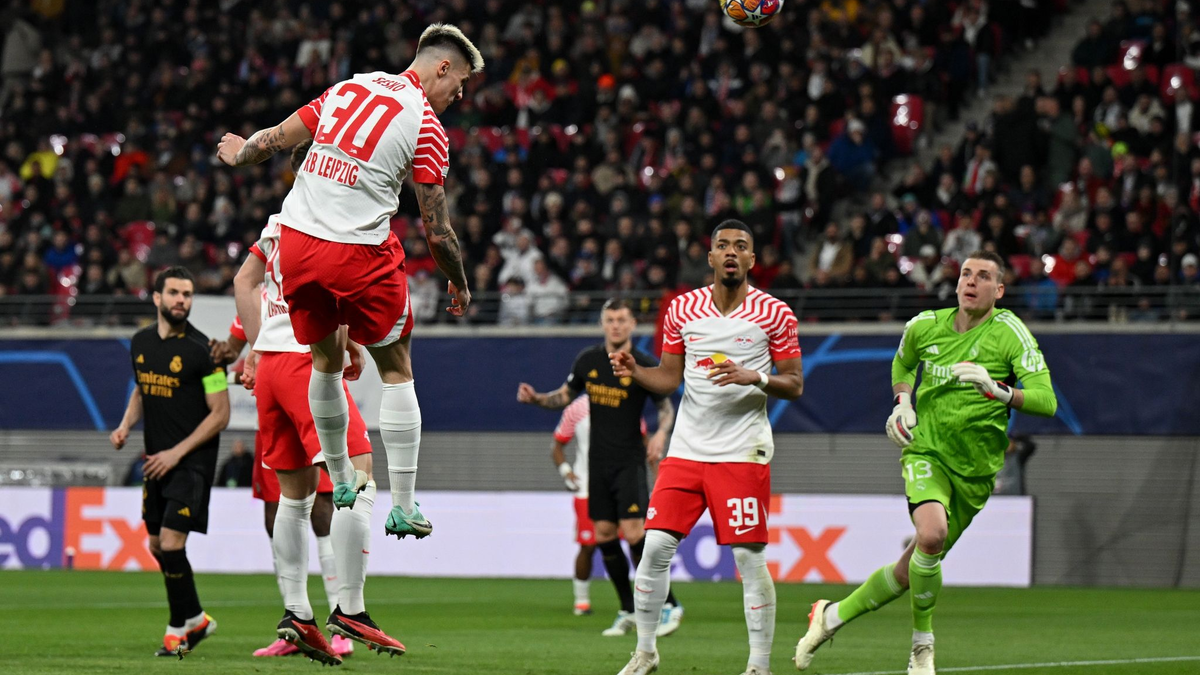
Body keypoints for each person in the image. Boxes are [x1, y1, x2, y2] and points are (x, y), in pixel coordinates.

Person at [216, 24, 484, 541]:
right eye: (462, 82)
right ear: (443, 67)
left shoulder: (348, 87)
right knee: (397, 367)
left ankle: (340, 479)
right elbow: (437, 229)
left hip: (296, 246)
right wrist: (458, 281)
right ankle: (403, 505)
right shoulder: (426, 124)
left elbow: (275, 139)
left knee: (325, 359)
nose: (460, 94)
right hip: (357, 253)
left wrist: (239, 151)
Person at [793, 250, 1057, 675]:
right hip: (927, 451)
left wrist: (1000, 391)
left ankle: (830, 615)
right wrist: (902, 402)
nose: (971, 281)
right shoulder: (924, 325)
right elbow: (903, 363)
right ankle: (922, 647)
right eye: (966, 273)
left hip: (976, 471)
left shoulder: (1010, 333)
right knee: (931, 536)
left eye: (983, 276)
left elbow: (1047, 400)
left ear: (999, 290)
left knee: (909, 570)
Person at [223, 139, 400, 662]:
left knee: (294, 499)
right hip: (306, 364)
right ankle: (351, 607)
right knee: (360, 473)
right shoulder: (331, 219)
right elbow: (337, 293)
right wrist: (351, 344)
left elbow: (243, 281)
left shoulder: (278, 223)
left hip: (273, 368)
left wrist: (257, 350)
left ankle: (297, 614)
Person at [609, 220, 804, 675]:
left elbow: (794, 384)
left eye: (741, 246)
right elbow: (669, 378)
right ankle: (645, 653)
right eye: (723, 245)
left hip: (741, 453)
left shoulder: (775, 313)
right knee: (654, 549)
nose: (731, 252)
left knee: (748, 559)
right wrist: (636, 371)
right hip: (686, 451)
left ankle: (759, 665)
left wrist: (754, 376)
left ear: (752, 259)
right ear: (711, 257)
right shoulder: (682, 309)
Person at [517, 298, 682, 638]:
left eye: (622, 319)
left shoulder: (643, 364)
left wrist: (661, 434)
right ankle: (628, 609)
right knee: (604, 535)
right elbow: (565, 395)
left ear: (632, 324)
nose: (616, 326)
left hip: (629, 461)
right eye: (610, 320)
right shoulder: (588, 360)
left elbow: (666, 407)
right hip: (597, 464)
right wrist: (537, 399)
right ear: (603, 324)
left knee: (634, 534)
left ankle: (669, 603)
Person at [208, 308, 354, 659]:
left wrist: (352, 350)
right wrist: (212, 367)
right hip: (273, 411)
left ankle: (343, 625)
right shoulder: (255, 299)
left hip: (313, 396)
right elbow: (228, 356)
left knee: (322, 512)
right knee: (274, 519)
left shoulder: (305, 287)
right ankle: (296, 622)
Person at [109, 266, 231, 658]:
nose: (182, 300)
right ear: (157, 298)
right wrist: (125, 425)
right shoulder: (140, 342)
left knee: (172, 541)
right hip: (156, 462)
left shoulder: (205, 352)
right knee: (157, 545)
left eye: (187, 294)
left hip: (191, 463)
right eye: (175, 293)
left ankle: (178, 628)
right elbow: (141, 389)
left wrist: (177, 453)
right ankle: (195, 618)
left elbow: (221, 414)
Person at [551, 394, 598, 616]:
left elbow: (642, 441)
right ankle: (582, 601)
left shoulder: (627, 399)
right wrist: (566, 472)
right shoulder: (578, 408)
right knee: (588, 545)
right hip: (587, 487)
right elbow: (557, 446)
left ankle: (639, 603)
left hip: (619, 486)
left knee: (634, 543)